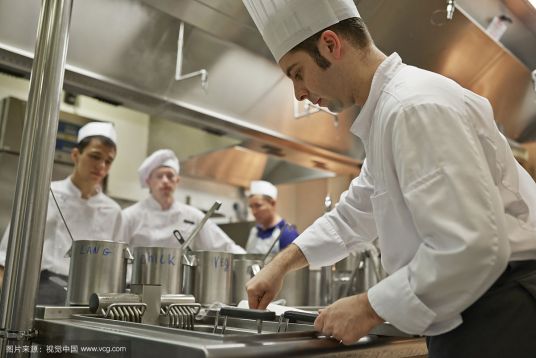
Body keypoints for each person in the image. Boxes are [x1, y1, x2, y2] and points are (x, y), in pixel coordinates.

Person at [241, 0, 536, 357]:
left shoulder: (413, 107)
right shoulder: (388, 115)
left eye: (297, 73)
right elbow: (353, 214)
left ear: (331, 45)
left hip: (503, 311)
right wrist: (281, 264)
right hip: (477, 307)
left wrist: (369, 306)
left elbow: (470, 246)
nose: (299, 93)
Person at [0, 121, 123, 305]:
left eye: (108, 161)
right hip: (39, 292)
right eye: (95, 156)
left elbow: (114, 267)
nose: (102, 166)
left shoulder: (113, 211)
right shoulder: (44, 194)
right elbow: (6, 256)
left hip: (90, 298)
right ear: (75, 155)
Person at [122, 149, 245, 253]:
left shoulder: (193, 216)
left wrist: (252, 262)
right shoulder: (130, 216)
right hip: (137, 281)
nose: (165, 181)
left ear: (177, 180)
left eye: (170, 176)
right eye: (159, 176)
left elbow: (224, 246)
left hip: (179, 281)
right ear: (148, 181)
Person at [245, 180, 299, 254]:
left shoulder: (288, 233)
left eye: (258, 206)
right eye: (251, 206)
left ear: (273, 203)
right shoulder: (254, 231)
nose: (254, 212)